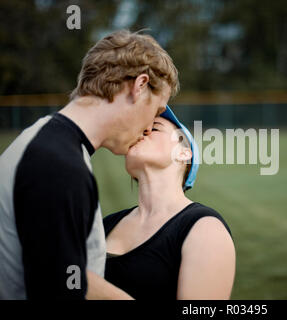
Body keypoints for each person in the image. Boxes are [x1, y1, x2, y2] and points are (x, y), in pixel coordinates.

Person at [0, 30, 179, 299]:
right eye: (155, 111)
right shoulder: (57, 163)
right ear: (140, 85)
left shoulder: (49, 143)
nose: (147, 128)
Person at [103, 106, 236, 299]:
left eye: (154, 128)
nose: (143, 131)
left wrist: (94, 288)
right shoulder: (103, 224)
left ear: (183, 152)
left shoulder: (205, 228)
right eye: (139, 129)